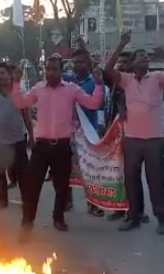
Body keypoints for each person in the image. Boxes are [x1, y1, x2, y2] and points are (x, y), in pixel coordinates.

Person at [11, 56, 104, 239]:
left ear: (61, 71)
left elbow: (93, 103)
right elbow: (20, 103)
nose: (50, 73)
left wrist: (99, 85)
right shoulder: (38, 88)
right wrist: (16, 83)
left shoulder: (72, 89)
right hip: (41, 147)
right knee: (32, 186)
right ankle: (27, 222)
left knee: (62, 187)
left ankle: (58, 218)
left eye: (54, 69)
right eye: (48, 69)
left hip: (61, 147)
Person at [104, 32, 164, 234]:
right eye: (140, 56)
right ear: (133, 62)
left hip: (154, 140)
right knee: (131, 179)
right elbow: (107, 69)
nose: (144, 58)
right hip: (132, 140)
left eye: (147, 57)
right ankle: (134, 216)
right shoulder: (126, 80)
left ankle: (162, 218)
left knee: (156, 180)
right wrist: (121, 44)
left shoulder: (156, 78)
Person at [0, 62, 34, 207]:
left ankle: (26, 199)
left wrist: (31, 136)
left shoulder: (19, 93)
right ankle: (2, 200)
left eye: (2, 73)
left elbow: (27, 117)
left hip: (18, 139)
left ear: (10, 75)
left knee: (22, 172)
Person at [105, 51, 149, 225]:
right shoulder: (117, 81)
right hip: (115, 131)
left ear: (132, 64)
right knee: (118, 173)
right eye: (119, 62)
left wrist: (123, 108)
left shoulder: (132, 81)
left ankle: (138, 210)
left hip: (131, 133)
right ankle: (120, 208)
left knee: (133, 174)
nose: (121, 65)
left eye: (125, 61)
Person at [64, 48, 105, 217]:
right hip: (69, 133)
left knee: (91, 171)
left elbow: (101, 105)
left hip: (88, 132)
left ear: (88, 64)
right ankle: (67, 201)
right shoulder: (66, 81)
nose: (77, 65)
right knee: (66, 169)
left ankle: (93, 204)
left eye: (81, 61)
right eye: (74, 62)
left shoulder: (95, 82)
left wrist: (101, 129)